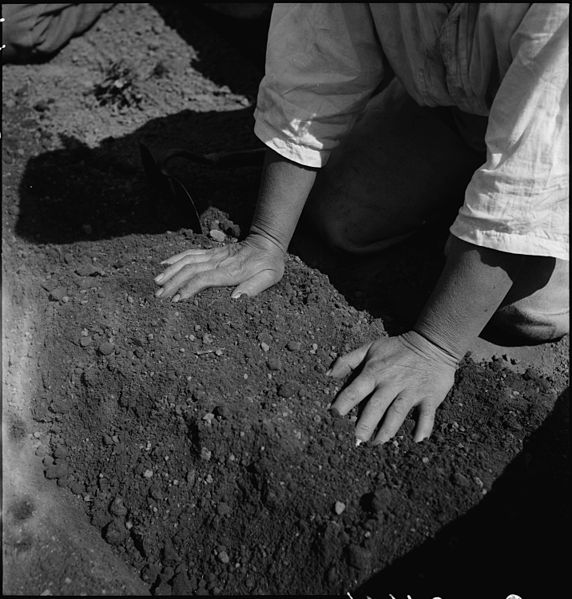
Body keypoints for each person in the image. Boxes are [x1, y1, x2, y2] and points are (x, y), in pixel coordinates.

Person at [154, 4, 569, 446]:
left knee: (526, 311)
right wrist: (266, 240)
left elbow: (529, 180)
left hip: (560, 129)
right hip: (454, 102)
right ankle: (464, 206)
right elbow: (315, 57)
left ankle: (476, 248)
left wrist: (433, 346)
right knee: (341, 217)